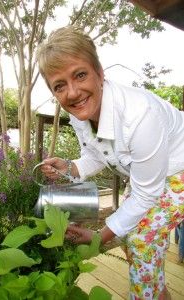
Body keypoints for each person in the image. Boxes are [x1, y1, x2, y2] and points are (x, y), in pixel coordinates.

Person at [36, 25, 184, 300]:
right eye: (59, 86)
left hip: (180, 170)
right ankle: (159, 292)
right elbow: (95, 155)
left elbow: (146, 195)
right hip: (150, 176)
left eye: (80, 75)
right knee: (132, 240)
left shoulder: (140, 115)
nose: (72, 92)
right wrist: (69, 166)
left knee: (140, 241)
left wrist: (97, 238)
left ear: (100, 73)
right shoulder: (80, 114)